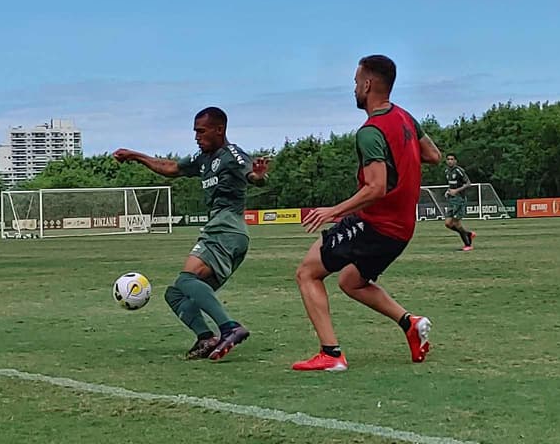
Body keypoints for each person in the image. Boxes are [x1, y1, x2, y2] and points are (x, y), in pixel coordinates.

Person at [292, 55, 442, 371]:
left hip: (376, 224)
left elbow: (376, 187)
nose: (355, 87)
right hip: (402, 229)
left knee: (307, 272)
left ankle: (331, 355)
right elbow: (433, 155)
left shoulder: (370, 131)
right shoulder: (405, 117)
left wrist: (334, 210)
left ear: (368, 84)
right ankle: (409, 323)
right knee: (351, 281)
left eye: (356, 81)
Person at [113, 106, 269, 361]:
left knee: (187, 280)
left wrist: (259, 177)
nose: (196, 136)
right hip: (223, 232)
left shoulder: (232, 154)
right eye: (195, 131)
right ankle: (206, 337)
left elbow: (253, 175)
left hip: (227, 229)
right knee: (175, 294)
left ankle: (230, 328)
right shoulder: (202, 159)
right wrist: (135, 156)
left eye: (201, 131)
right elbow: (171, 167)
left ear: (219, 130)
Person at [444, 153, 476, 251]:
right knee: (448, 224)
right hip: (451, 200)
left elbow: (468, 183)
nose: (450, 161)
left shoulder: (459, 171)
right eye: (448, 159)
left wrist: (456, 191)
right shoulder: (447, 171)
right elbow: (452, 185)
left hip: (459, 199)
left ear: (455, 161)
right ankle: (468, 234)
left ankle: (468, 244)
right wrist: (448, 190)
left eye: (452, 159)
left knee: (456, 223)